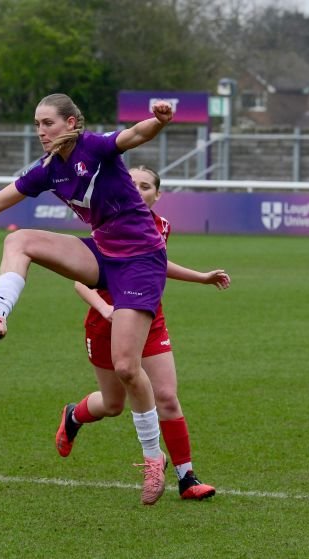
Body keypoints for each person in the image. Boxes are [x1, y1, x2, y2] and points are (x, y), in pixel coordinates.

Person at [0, 93, 173, 505]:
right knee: (20, 239)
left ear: (70, 123)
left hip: (141, 262)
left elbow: (136, 134)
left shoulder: (95, 147)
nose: (41, 132)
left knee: (126, 368)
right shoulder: (48, 170)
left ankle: (154, 459)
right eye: (36, 124)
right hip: (101, 253)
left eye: (47, 123)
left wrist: (160, 120)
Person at [60, 165, 230, 501]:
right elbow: (80, 279)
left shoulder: (161, 227)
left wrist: (201, 277)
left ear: (157, 194)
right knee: (112, 405)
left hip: (148, 317)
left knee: (166, 396)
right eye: (132, 183)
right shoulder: (105, 223)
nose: (138, 190)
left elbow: (156, 264)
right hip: (105, 322)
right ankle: (73, 415)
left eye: (146, 185)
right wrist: (105, 308)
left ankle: (187, 478)